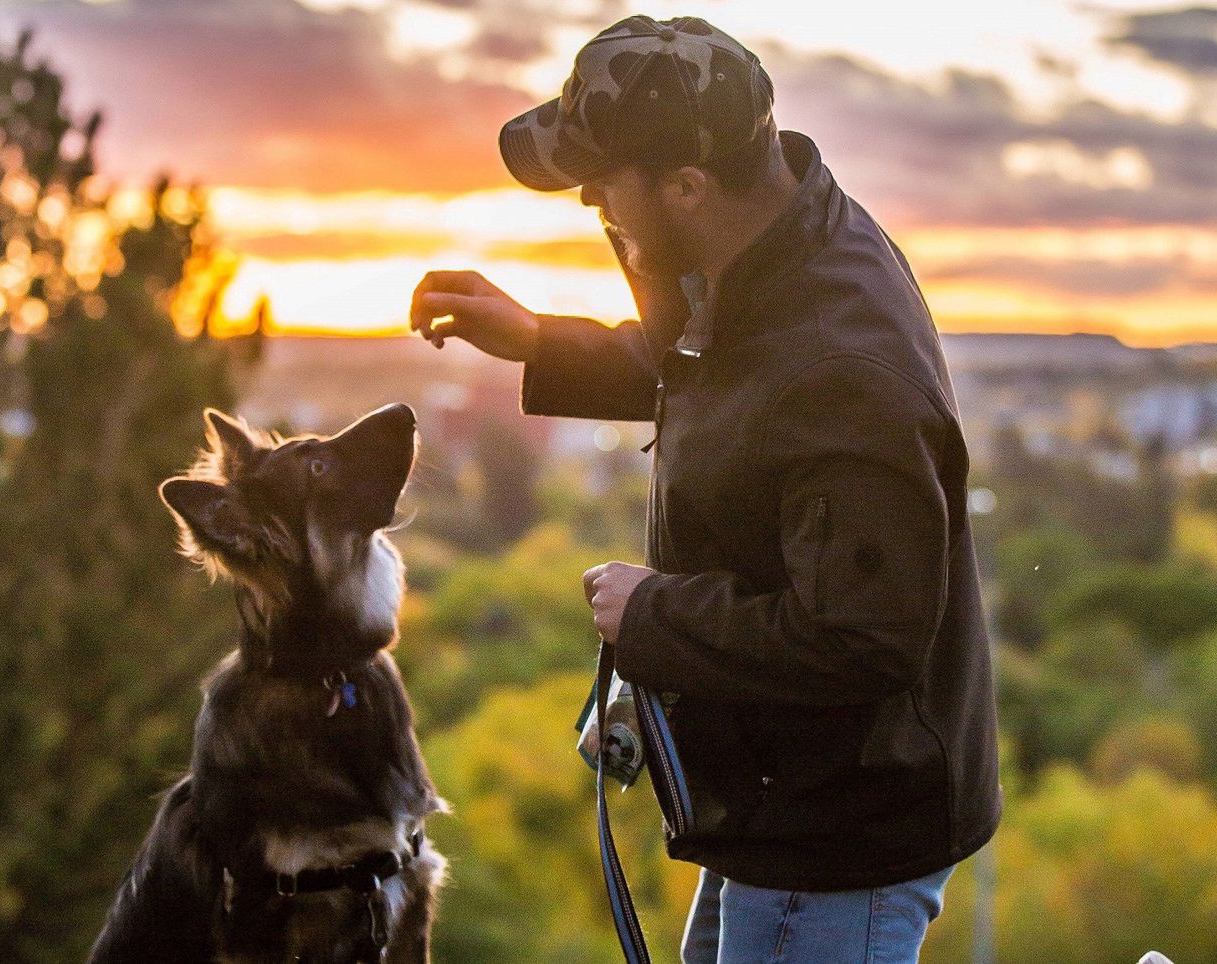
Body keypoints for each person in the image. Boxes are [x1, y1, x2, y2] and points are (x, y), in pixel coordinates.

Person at [409, 14, 1000, 963]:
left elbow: (864, 637)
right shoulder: (773, 256)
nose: (592, 207)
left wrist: (652, 618)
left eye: (602, 190)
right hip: (783, 803)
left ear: (685, 186)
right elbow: (716, 372)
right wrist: (537, 339)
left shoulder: (845, 366)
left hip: (835, 843)